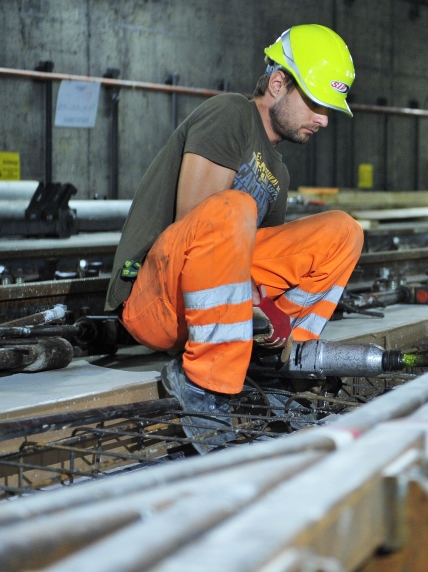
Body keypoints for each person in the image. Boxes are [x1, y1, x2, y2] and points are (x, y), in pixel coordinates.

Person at [105, 24, 363, 448]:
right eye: (316, 103)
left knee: (343, 231)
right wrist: (257, 302)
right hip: (157, 299)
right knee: (235, 207)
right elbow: (197, 220)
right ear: (278, 83)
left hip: (212, 310)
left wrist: (268, 316)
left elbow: (256, 262)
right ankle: (205, 386)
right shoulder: (231, 114)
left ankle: (277, 366)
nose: (323, 119)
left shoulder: (277, 172)